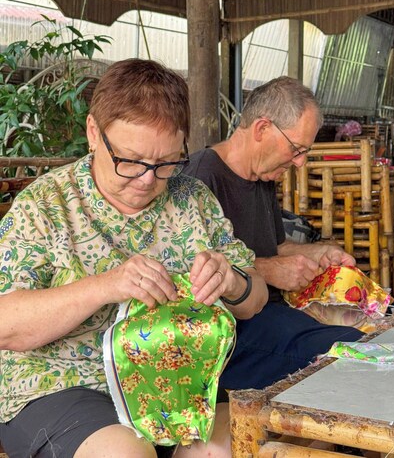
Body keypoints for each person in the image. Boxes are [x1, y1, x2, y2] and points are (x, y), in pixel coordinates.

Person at [0, 58, 268, 458]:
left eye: (165, 163)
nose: (147, 179)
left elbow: (256, 299)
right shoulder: (45, 205)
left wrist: (232, 281)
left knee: (235, 443)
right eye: (129, 160)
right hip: (60, 386)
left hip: (179, 380)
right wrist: (104, 285)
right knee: (125, 453)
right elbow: (6, 325)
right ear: (93, 133)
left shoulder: (192, 199)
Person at [184, 76, 364, 391]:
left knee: (375, 333)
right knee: (352, 352)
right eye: (296, 149)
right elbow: (189, 276)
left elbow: (276, 247)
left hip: (272, 314)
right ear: (261, 129)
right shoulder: (200, 179)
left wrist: (319, 252)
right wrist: (269, 271)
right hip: (228, 335)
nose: (300, 163)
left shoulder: (263, 176)